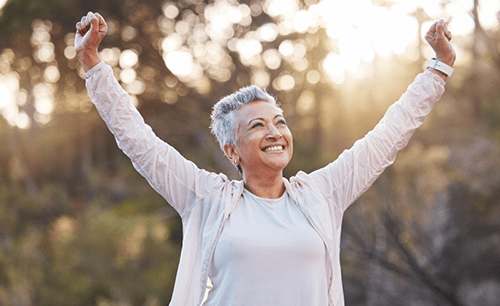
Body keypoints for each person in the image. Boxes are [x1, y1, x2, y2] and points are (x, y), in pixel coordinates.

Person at [75, 11, 455, 306]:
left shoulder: (321, 194)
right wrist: (93, 64)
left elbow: (387, 136)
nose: (275, 133)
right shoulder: (206, 199)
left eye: (280, 122)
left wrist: (438, 68)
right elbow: (139, 140)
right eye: (257, 125)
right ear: (231, 150)